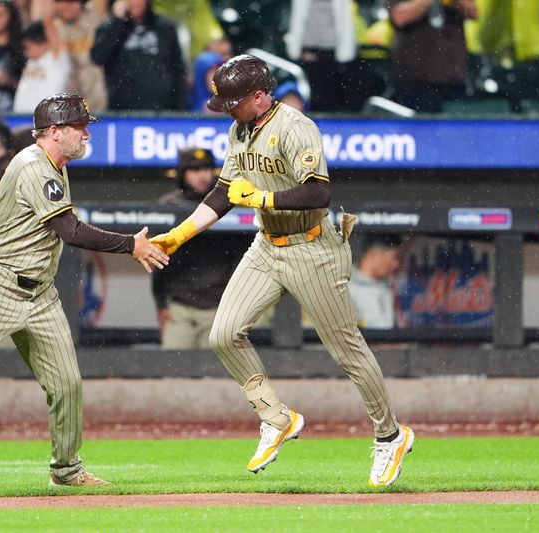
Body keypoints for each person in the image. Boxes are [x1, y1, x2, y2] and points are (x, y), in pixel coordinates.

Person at [150, 55, 413, 487]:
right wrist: (180, 234)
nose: (227, 110)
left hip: (313, 247)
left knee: (348, 351)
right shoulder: (240, 127)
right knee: (223, 333)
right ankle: (276, 417)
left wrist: (262, 200)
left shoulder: (295, 126)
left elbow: (319, 192)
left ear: (259, 95)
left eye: (234, 102)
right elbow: (224, 191)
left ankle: (389, 434)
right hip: (266, 246)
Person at [0, 93, 168, 490]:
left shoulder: (57, 165)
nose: (86, 135)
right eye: (79, 128)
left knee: (67, 383)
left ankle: (65, 469)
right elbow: (71, 231)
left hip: (39, 293)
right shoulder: (32, 164)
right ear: (55, 132)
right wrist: (131, 244)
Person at [152, 148, 248, 349]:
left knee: (216, 374)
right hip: (180, 308)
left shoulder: (227, 203)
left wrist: (234, 304)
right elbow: (157, 261)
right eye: (194, 170)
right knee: (172, 370)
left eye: (206, 168)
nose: (202, 175)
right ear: (183, 173)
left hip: (219, 308)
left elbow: (242, 257)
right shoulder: (169, 205)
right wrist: (161, 305)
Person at [286, 0, 383, 112]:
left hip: (337, 55)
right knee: (314, 99)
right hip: (309, 53)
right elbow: (297, 20)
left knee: (335, 99)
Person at [90, 0, 187, 111]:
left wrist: (180, 108)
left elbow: (178, 70)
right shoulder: (108, 27)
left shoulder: (164, 27)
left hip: (162, 109)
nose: (134, 2)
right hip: (122, 109)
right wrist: (118, 21)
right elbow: (98, 57)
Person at [387, 0, 478, 113]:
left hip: (452, 78)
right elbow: (399, 17)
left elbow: (474, 13)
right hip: (414, 80)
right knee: (415, 128)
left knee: (456, 128)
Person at [54, 0, 108, 112]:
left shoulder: (93, 14)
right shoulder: (52, 24)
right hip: (66, 78)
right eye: (63, 3)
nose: (67, 7)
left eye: (72, 2)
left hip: (94, 75)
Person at [13, 20, 69, 113]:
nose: (26, 52)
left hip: (47, 118)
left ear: (44, 44)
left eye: (29, 47)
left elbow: (49, 26)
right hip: (22, 117)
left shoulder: (56, 60)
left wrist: (46, 18)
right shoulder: (30, 62)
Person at [348, 235, 402, 330]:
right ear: (375, 255)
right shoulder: (345, 286)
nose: (396, 264)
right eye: (394, 257)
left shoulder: (387, 288)